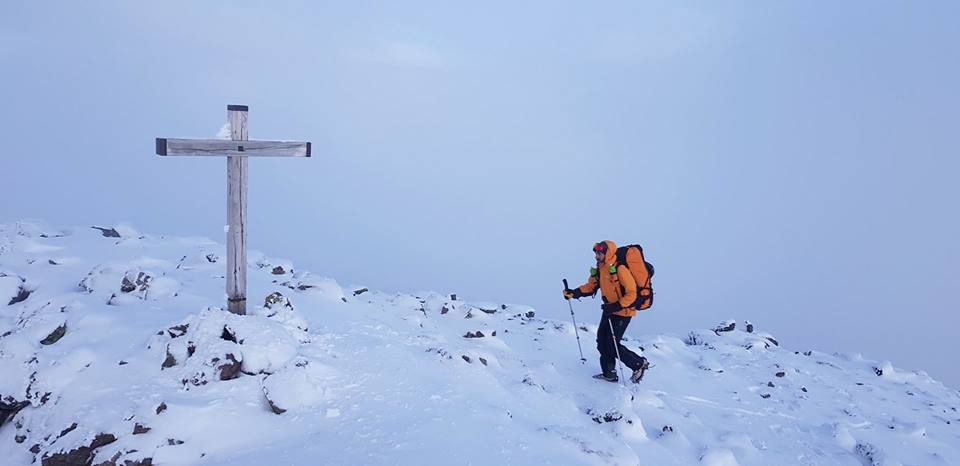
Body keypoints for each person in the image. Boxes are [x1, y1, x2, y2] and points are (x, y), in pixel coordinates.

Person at [563, 240, 650, 383]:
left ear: (607, 253)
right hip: (609, 310)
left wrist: (617, 306)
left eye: (599, 253)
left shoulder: (620, 268)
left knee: (612, 344)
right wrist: (574, 293)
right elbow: (591, 286)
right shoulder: (600, 268)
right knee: (602, 342)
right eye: (596, 253)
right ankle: (609, 373)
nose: (596, 256)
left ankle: (639, 364)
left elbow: (632, 293)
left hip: (623, 311)